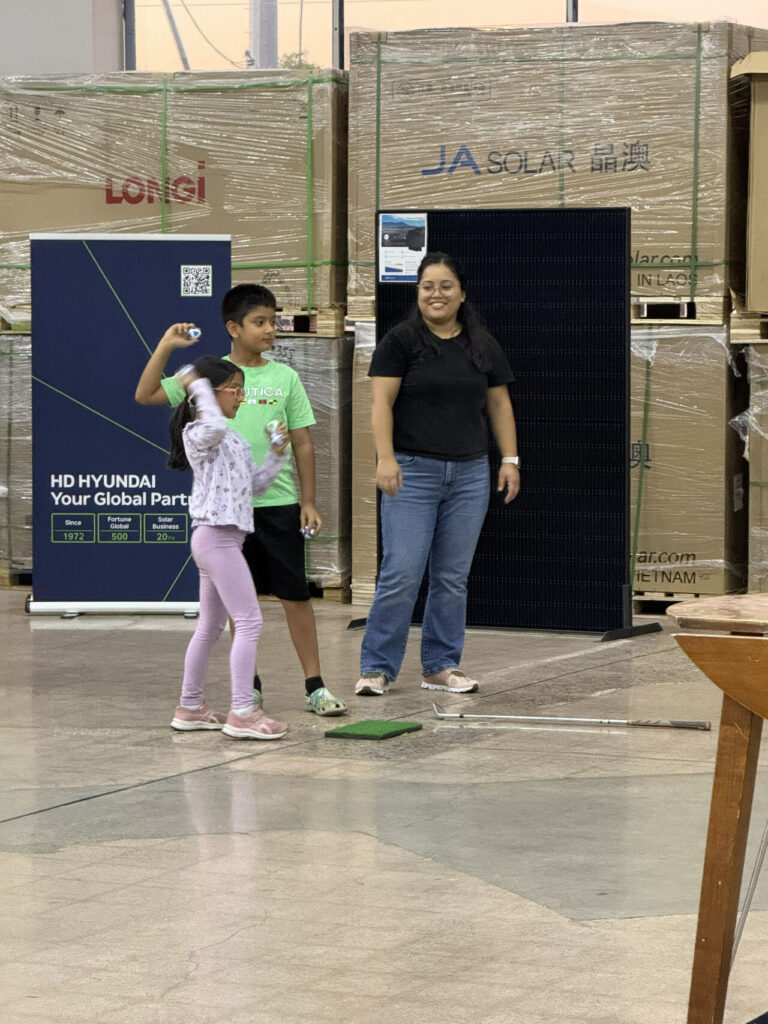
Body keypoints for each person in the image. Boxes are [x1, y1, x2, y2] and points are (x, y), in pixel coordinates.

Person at [135, 285, 347, 717]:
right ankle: (247, 691)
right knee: (239, 610)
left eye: (273, 321)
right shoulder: (211, 376)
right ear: (234, 328)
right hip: (227, 520)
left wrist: (308, 499)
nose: (270, 329)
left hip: (278, 505)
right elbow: (147, 394)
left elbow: (303, 442)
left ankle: (315, 685)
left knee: (295, 597)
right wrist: (169, 348)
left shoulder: (285, 377)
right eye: (259, 322)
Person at [356, 252, 520, 697]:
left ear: (461, 293)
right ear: (418, 292)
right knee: (402, 572)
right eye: (427, 286)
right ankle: (377, 667)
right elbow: (381, 403)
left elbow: (499, 404)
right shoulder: (400, 341)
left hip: (469, 475)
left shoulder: (481, 344)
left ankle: (440, 666)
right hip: (411, 472)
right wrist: (385, 458)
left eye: (446, 286)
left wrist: (510, 459)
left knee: (451, 576)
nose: (436, 294)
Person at [167, 352, 289, 740]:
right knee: (249, 621)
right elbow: (214, 423)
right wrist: (196, 384)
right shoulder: (199, 433)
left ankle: (190, 706)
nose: (242, 397)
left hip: (223, 540)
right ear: (211, 392)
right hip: (216, 538)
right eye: (235, 389)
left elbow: (254, 486)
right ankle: (243, 712)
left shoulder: (232, 438)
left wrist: (276, 453)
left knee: (210, 625)